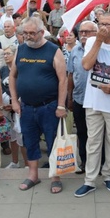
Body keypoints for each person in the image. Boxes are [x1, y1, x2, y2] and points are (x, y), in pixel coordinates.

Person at [74, 12, 110, 197]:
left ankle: (108, 175)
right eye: (101, 24)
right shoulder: (92, 42)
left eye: (108, 24)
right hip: (93, 101)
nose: (104, 27)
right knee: (93, 142)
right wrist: (98, 41)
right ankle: (90, 180)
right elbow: (86, 65)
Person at [9, 17, 67, 193]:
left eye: (32, 33)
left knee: (51, 142)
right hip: (26, 106)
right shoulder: (20, 50)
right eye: (25, 33)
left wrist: (61, 106)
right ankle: (33, 175)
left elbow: (63, 79)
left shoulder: (53, 50)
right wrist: (14, 100)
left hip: (48, 106)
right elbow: (13, 76)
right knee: (30, 141)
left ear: (42, 32)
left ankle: (55, 176)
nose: (28, 36)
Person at [67, 22, 97, 173]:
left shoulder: (100, 49)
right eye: (81, 32)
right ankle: (84, 161)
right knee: (81, 132)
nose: (83, 34)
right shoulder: (75, 51)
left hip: (97, 101)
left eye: (87, 32)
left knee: (96, 135)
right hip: (79, 98)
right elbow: (71, 75)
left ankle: (99, 164)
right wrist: (69, 97)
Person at [0, 45, 28, 168]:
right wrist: (2, 105)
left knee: (22, 136)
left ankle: (27, 164)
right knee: (12, 136)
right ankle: (15, 162)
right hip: (7, 109)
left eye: (8, 53)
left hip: (19, 107)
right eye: (4, 54)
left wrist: (16, 103)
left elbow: (25, 87)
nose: (5, 56)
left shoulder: (21, 69)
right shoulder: (2, 70)